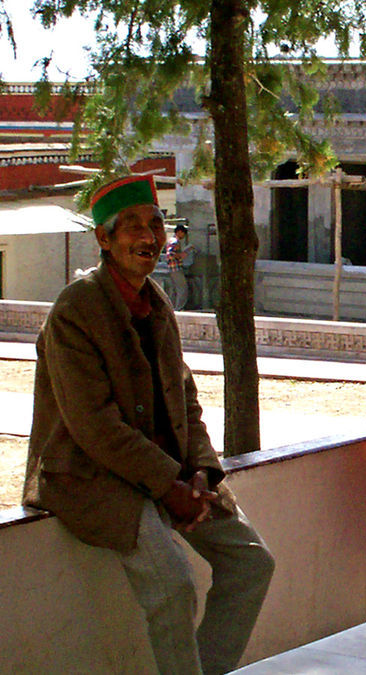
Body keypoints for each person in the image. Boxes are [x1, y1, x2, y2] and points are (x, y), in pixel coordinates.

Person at [22, 175, 275, 675]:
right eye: (132, 226)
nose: (148, 237)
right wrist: (168, 483)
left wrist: (202, 470)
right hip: (93, 477)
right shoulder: (76, 309)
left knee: (252, 563)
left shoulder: (155, 301)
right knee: (173, 584)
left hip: (170, 473)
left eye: (155, 224)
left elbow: (186, 398)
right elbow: (94, 427)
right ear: (104, 239)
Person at [166, 223, 192, 310]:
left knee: (175, 290)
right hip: (175, 268)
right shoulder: (175, 241)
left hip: (172, 268)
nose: (184, 236)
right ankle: (179, 308)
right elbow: (170, 254)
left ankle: (174, 308)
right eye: (183, 233)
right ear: (179, 232)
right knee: (183, 289)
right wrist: (181, 255)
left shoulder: (171, 240)